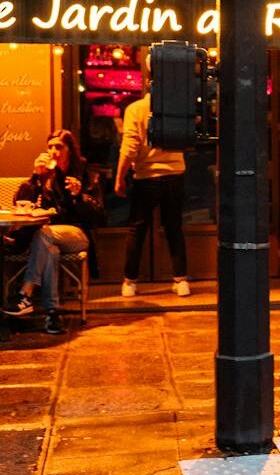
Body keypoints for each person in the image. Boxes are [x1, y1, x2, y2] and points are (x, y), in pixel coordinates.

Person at [3, 130, 102, 334]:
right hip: (48, 236)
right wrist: (34, 176)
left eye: (59, 147)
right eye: (50, 147)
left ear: (70, 150)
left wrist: (79, 195)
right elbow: (21, 204)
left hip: (77, 235)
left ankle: (26, 293)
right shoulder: (46, 174)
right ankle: (53, 314)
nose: (54, 151)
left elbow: (99, 215)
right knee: (50, 249)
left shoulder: (85, 171)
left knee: (44, 235)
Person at [115, 57, 189, 297]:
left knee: (137, 228)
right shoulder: (177, 108)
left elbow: (129, 148)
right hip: (175, 173)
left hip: (146, 176)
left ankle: (130, 282)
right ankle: (181, 280)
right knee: (174, 228)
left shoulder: (135, 110)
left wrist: (119, 178)